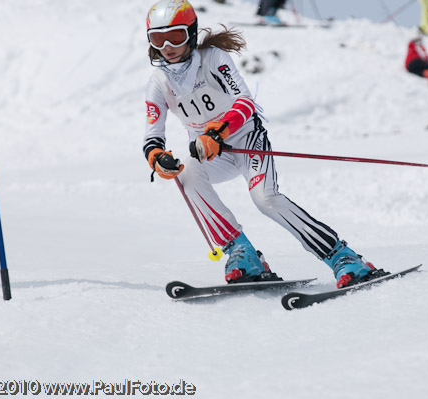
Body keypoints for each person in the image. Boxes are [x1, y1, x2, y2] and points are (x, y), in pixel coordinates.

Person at [143, 0, 387, 288]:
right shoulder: (159, 81)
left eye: (176, 36)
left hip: (247, 140)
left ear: (192, 35)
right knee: (187, 175)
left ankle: (342, 256)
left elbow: (245, 102)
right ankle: (241, 252)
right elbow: (152, 136)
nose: (168, 46)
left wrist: (217, 133)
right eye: (158, 39)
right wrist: (157, 157)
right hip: (211, 153)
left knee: (265, 199)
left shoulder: (213, 59)